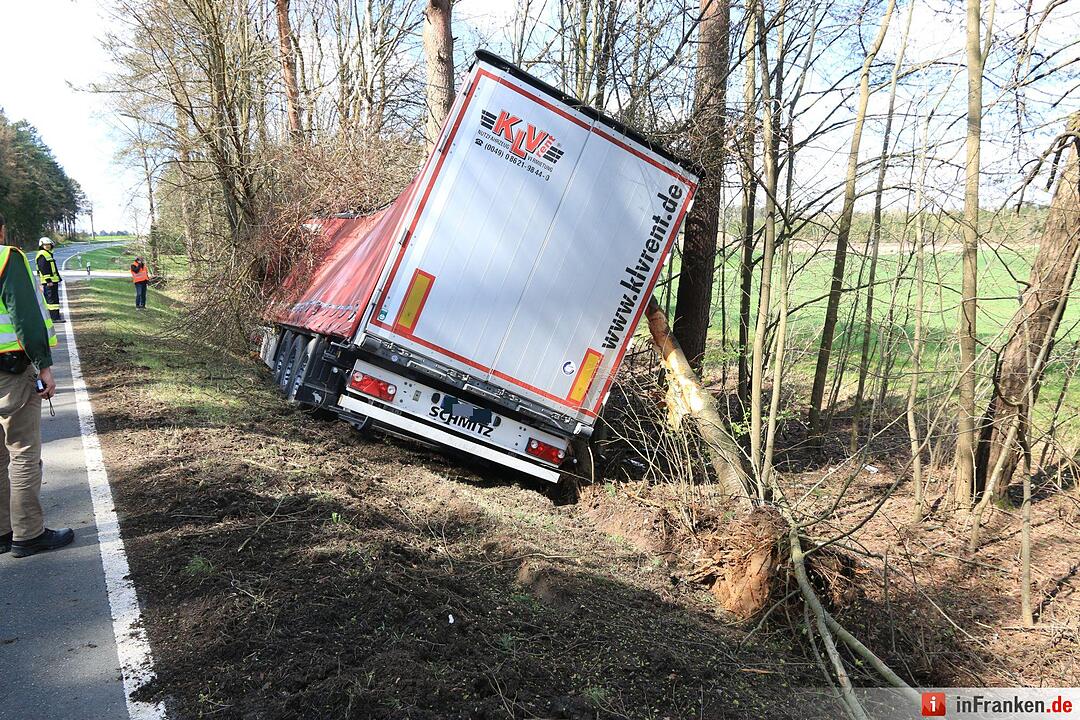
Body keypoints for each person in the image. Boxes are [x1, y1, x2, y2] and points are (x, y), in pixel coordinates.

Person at [0, 213, 72, 557]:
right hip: (9, 374)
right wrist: (44, 365)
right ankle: (27, 533)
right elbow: (25, 318)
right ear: (1, 230)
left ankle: (3, 530)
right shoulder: (7, 257)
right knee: (23, 451)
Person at [35, 237, 62, 322]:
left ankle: (55, 316)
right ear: (41, 245)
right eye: (45, 245)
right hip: (49, 282)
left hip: (53, 281)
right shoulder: (42, 254)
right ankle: (54, 317)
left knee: (54, 299)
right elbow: (43, 268)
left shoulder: (47, 254)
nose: (47, 246)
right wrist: (48, 281)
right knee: (51, 300)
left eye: (48, 245)